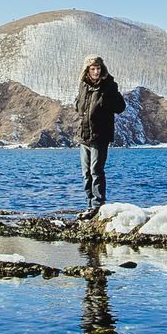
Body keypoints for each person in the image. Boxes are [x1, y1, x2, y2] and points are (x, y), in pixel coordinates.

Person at [74, 54, 126, 219]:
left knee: (96, 170)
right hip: (84, 136)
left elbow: (120, 107)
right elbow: (79, 105)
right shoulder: (83, 85)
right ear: (87, 70)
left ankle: (98, 205)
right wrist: (78, 105)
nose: (96, 72)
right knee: (86, 173)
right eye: (93, 69)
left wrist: (106, 103)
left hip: (100, 135)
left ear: (102, 69)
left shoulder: (109, 85)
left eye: (98, 68)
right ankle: (89, 204)